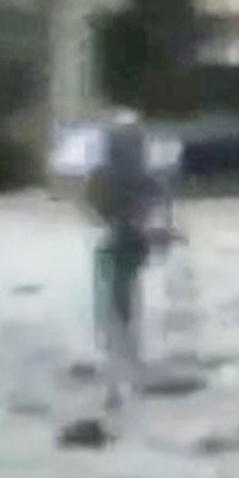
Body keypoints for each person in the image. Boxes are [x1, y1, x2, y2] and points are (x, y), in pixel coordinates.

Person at [82, 108, 180, 412]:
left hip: (120, 244)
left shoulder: (110, 174)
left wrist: (154, 228)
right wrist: (159, 231)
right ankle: (126, 371)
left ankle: (121, 374)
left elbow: (95, 205)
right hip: (127, 244)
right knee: (122, 308)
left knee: (115, 309)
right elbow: (159, 208)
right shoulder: (141, 176)